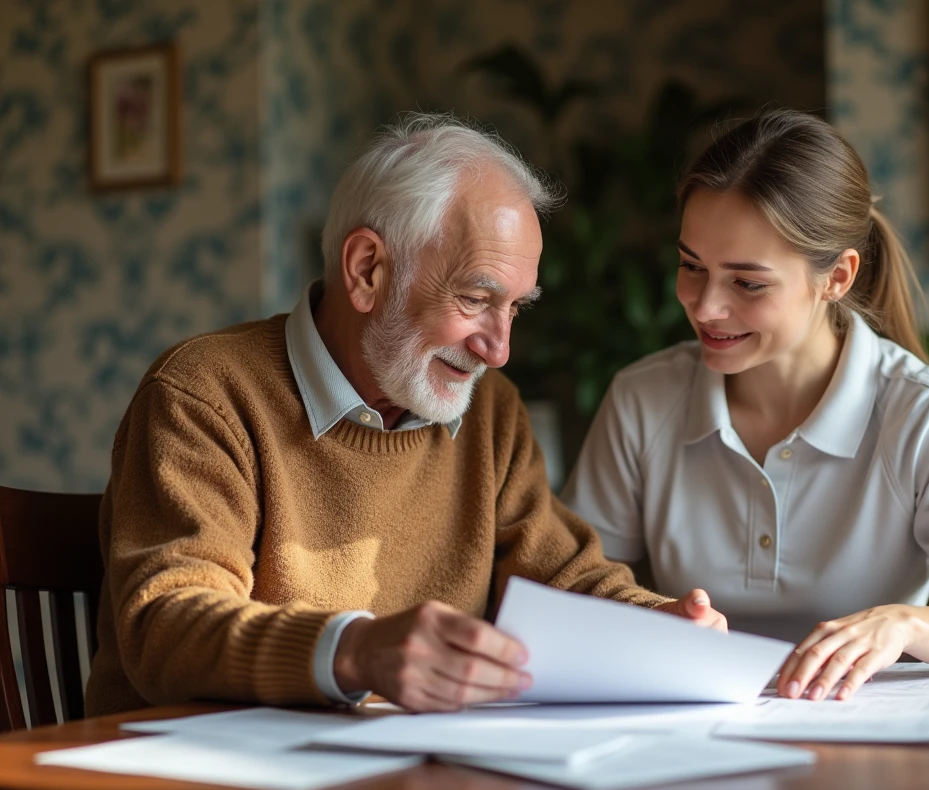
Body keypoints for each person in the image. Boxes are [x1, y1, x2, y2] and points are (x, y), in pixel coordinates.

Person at [85, 114, 726, 718]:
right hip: (199, 768)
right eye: (475, 298)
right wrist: (356, 650)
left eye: (515, 309)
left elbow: (565, 577)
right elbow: (165, 623)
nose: (498, 350)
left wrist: (657, 622)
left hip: (396, 767)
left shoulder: (490, 412)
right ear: (367, 270)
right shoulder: (204, 393)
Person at [562, 109, 929, 703]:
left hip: (863, 735)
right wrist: (654, 618)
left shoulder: (927, 415)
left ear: (837, 277)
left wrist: (902, 624)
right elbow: (572, 595)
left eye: (748, 283)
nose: (705, 307)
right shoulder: (642, 400)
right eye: (692, 267)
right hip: (693, 727)